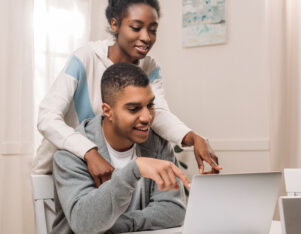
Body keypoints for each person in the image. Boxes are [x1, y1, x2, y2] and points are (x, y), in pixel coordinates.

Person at [33, 0, 222, 185]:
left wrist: (193, 137)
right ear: (115, 24)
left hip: (109, 170)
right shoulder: (86, 58)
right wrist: (88, 151)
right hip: (66, 169)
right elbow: (47, 117)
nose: (147, 37)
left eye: (152, 30)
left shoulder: (149, 66)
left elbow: (159, 114)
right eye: (136, 27)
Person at [51, 63, 189, 234]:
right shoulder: (72, 153)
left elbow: (173, 211)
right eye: (134, 109)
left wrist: (119, 225)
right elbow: (83, 223)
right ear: (107, 111)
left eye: (150, 106)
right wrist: (134, 170)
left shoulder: (157, 144)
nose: (147, 117)